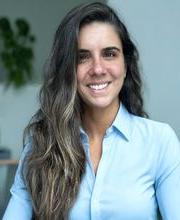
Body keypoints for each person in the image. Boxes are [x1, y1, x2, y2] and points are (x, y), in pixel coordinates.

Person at [3, 2, 180, 220]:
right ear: (67, 69)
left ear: (126, 64)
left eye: (110, 54)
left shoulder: (160, 142)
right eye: (83, 57)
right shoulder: (40, 147)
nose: (97, 69)